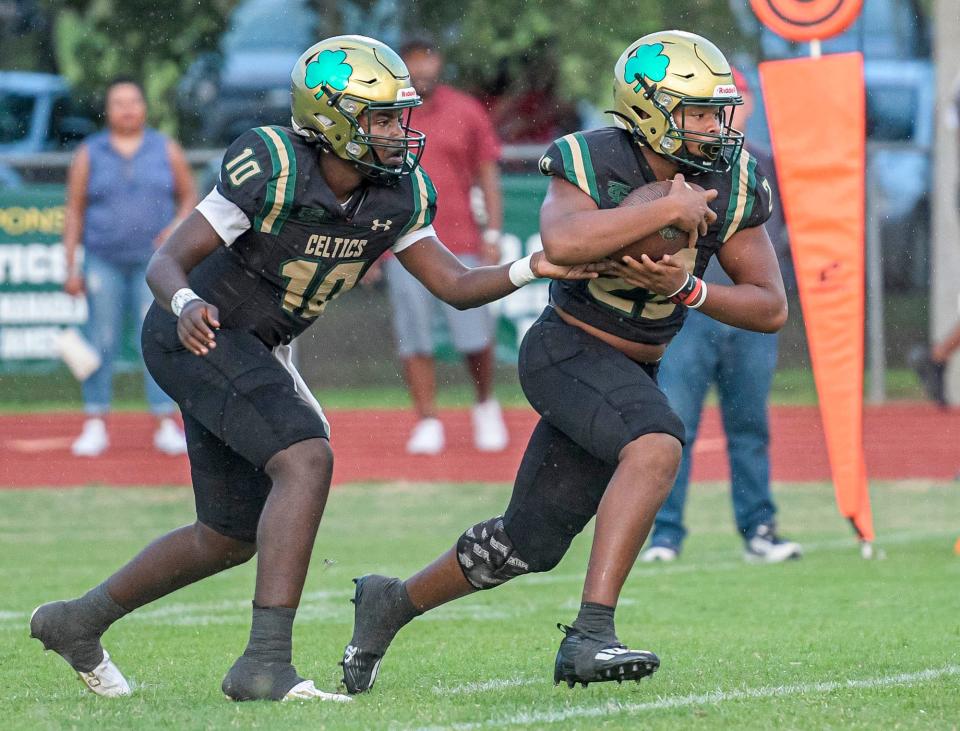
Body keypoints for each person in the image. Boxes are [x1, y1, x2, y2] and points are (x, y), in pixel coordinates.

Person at [29, 35, 602, 703]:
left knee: (226, 534)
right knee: (305, 457)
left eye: (397, 116)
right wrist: (184, 303)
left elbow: (452, 281)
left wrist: (533, 266)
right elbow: (167, 262)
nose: (397, 131)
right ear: (331, 118)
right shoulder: (272, 162)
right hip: (199, 331)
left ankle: (78, 621)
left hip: (257, 347)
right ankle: (264, 663)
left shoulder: (397, 193)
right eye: (381, 117)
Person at [339, 30, 788, 694]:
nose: (712, 126)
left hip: (633, 367)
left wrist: (690, 289)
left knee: (527, 544)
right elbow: (562, 238)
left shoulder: (734, 176)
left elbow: (769, 304)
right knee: (657, 441)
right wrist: (666, 206)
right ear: (647, 108)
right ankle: (591, 635)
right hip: (568, 348)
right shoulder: (593, 157)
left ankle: (390, 603)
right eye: (695, 111)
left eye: (715, 111)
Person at [640, 69, 802, 564]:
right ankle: (664, 534)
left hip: (746, 309)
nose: (717, 121)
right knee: (674, 422)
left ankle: (759, 527)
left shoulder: (767, 166)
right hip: (690, 309)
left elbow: (790, 231)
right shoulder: (677, 166)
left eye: (729, 105)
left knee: (750, 422)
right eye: (705, 110)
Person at [383, 35, 508, 455]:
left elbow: (488, 175)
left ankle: (485, 405)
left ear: (439, 65)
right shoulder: (386, 114)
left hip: (460, 239)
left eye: (427, 64)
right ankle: (427, 419)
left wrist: (492, 232)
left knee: (476, 334)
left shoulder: (466, 110)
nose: (421, 74)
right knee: (412, 335)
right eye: (413, 66)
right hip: (403, 242)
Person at [63, 77, 196, 457]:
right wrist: (70, 266)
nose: (126, 108)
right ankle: (95, 422)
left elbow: (189, 198)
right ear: (109, 109)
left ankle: (163, 422)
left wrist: (175, 229)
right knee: (99, 339)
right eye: (118, 102)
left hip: (154, 265)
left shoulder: (165, 148)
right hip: (102, 258)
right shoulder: (90, 152)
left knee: (155, 339)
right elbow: (73, 212)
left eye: (133, 101)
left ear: (144, 107)